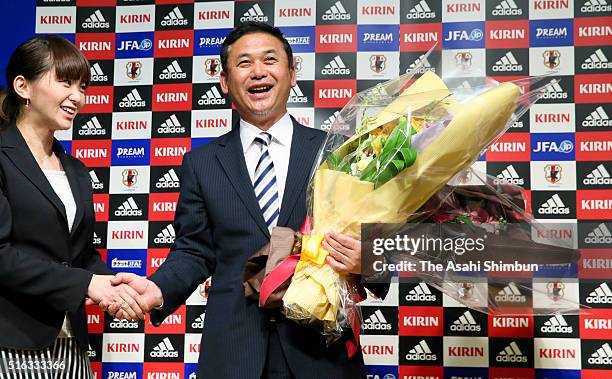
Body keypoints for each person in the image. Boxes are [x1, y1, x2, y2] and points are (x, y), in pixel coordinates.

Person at [111, 22, 380, 378]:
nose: (258, 72)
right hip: (234, 351)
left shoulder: (336, 152)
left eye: (270, 60)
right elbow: (194, 249)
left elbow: (370, 234)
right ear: (225, 82)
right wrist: (157, 290)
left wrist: (370, 256)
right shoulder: (202, 162)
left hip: (319, 350)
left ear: (292, 73)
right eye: (244, 63)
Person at [0, 35, 145, 378]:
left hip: (71, 345)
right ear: (24, 87)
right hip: (10, 344)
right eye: (65, 82)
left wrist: (115, 287)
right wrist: (84, 284)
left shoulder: (77, 170)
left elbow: (78, 254)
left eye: (82, 86)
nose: (77, 97)